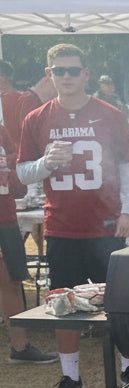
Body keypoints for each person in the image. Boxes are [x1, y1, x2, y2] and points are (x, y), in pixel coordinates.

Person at [16, 43, 129, 388]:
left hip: (106, 224)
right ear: (49, 74)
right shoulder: (37, 118)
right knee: (63, 305)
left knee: (119, 301)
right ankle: (71, 376)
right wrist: (46, 163)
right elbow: (22, 172)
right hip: (62, 225)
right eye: (59, 70)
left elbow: (128, 165)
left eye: (73, 70)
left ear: (86, 73)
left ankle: (128, 368)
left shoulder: (110, 114)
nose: (67, 76)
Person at [0, 119, 58, 370]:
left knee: (11, 281)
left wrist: (12, 173)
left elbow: (18, 187)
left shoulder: (1, 132)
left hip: (6, 218)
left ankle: (20, 347)